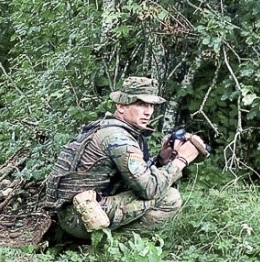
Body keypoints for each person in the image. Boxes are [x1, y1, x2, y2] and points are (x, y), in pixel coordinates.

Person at [42, 76, 207, 240]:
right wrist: (182, 160)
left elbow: (134, 177)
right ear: (121, 106)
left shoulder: (109, 128)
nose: (148, 112)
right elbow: (149, 189)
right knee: (170, 198)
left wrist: (163, 160)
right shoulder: (118, 137)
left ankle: (82, 241)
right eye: (140, 104)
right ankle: (109, 246)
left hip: (72, 214)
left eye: (151, 105)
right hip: (83, 217)